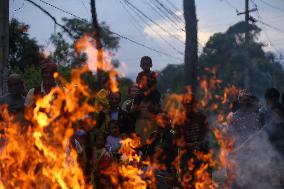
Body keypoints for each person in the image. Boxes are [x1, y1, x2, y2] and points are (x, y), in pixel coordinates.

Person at [175, 93, 211, 188]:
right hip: (185, 155)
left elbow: (207, 134)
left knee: (201, 180)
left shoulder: (201, 118)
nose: (188, 107)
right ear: (183, 105)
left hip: (200, 154)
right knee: (185, 181)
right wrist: (184, 144)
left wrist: (200, 144)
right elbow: (174, 136)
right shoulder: (179, 119)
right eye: (186, 105)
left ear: (195, 104)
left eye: (190, 104)